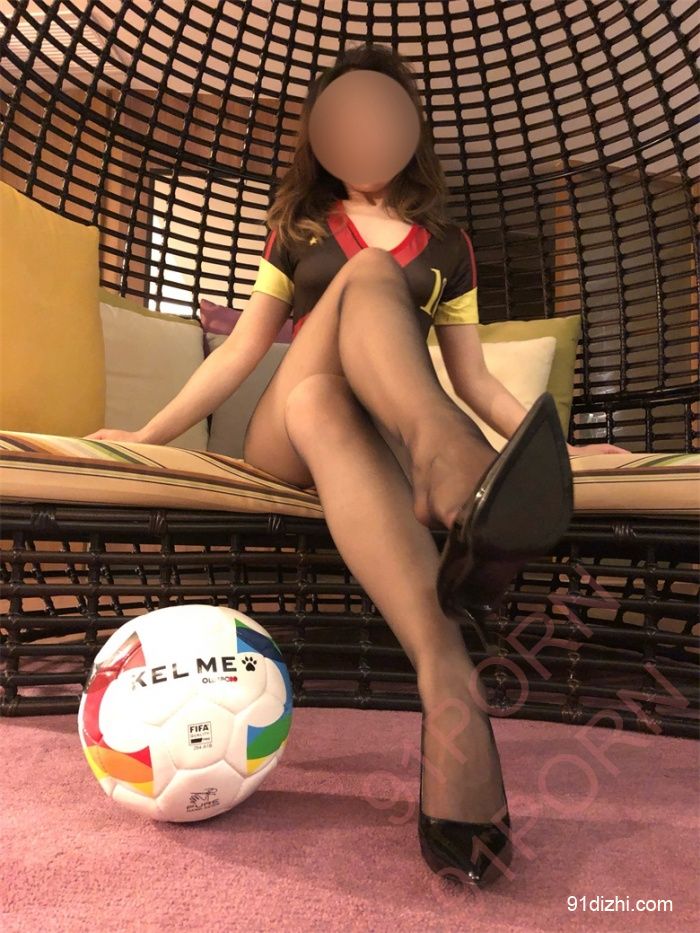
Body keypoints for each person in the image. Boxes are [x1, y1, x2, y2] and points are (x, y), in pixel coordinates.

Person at [85, 43, 628, 886]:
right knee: (348, 312)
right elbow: (241, 353)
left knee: (323, 402)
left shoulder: (449, 247)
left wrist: (557, 441)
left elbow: (476, 379)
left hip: (356, 435)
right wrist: (147, 436)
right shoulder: (299, 229)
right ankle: (449, 465)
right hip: (277, 441)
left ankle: (448, 675)